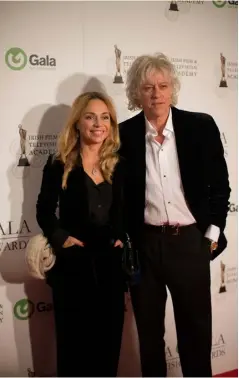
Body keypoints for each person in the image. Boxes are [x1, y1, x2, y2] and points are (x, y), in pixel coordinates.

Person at [119, 53, 231, 377]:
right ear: (136, 92)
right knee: (150, 339)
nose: (156, 93)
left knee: (196, 336)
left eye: (163, 85)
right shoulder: (122, 135)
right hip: (145, 247)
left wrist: (211, 234)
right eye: (148, 87)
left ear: (172, 89)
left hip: (190, 244)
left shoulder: (200, 126)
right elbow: (120, 197)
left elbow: (220, 186)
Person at [36, 91, 126, 377]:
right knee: (74, 350)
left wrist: (122, 236)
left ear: (111, 124)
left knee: (108, 348)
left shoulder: (119, 163)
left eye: (104, 118)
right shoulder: (60, 162)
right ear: (77, 123)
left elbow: (128, 211)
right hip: (73, 268)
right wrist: (61, 238)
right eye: (90, 117)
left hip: (111, 268)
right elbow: (44, 210)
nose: (98, 124)